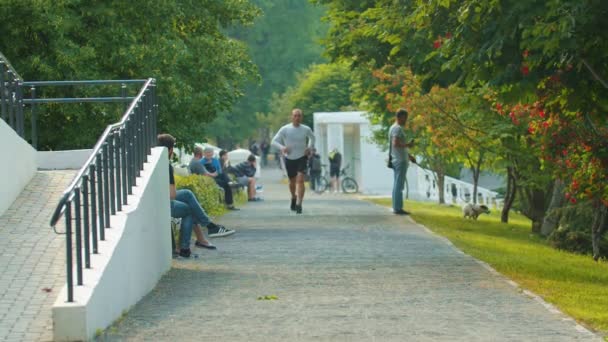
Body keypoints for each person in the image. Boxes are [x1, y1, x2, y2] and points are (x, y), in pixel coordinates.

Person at [157, 134, 235, 258]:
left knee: (187, 194)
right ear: (171, 150)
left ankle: (208, 228)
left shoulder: (154, 163)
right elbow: (171, 195)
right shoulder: (166, 166)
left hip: (156, 199)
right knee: (189, 210)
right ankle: (186, 247)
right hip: (163, 203)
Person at [271, 108, 315, 214]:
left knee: (300, 180)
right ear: (291, 117)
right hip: (289, 158)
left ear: (301, 117)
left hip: (302, 157)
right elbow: (273, 141)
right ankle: (293, 197)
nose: (297, 118)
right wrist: (282, 148)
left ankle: (299, 204)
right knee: (292, 182)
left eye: (299, 115)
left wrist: (309, 147)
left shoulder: (306, 129)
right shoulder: (285, 129)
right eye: (295, 115)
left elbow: (312, 138)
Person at [189, 146, 239, 211]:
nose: (209, 154)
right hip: (209, 178)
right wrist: (213, 174)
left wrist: (216, 173)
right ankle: (230, 204)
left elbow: (219, 171)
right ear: (203, 153)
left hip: (214, 176)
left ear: (212, 153)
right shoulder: (200, 162)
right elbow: (205, 174)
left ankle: (229, 182)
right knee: (226, 185)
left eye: (210, 152)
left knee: (223, 176)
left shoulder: (215, 160)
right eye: (207, 152)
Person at [389, 108, 415, 215]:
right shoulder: (397, 129)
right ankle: (398, 208)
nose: (406, 120)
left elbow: (398, 146)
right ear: (400, 117)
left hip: (398, 159)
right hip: (400, 161)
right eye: (405, 118)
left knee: (397, 184)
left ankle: (396, 206)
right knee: (399, 185)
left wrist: (409, 156)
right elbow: (395, 144)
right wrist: (408, 145)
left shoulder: (393, 128)